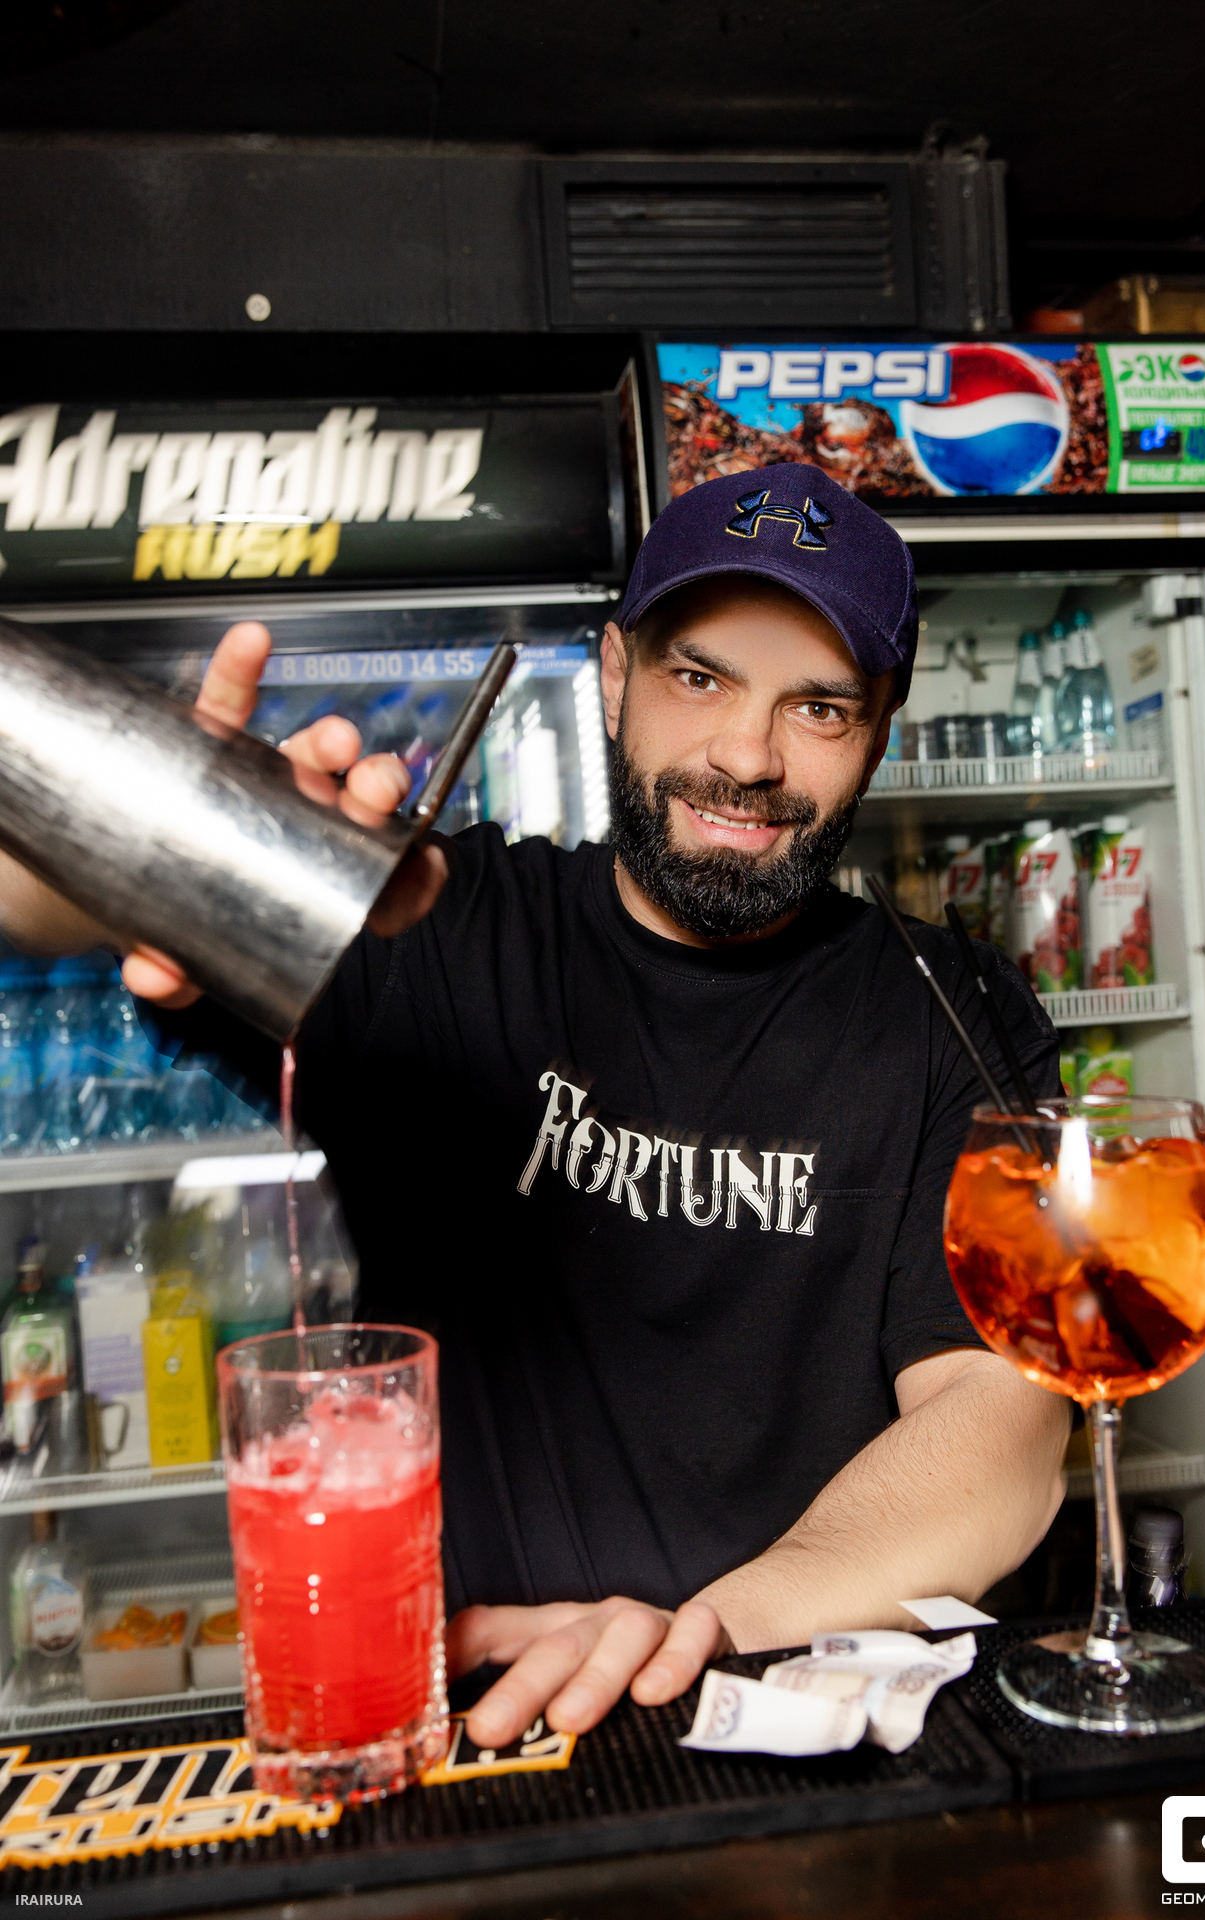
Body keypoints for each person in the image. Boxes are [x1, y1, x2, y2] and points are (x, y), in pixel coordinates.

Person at [0, 463, 1068, 1752]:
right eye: (699, 678)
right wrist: (164, 834)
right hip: (476, 1720)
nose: (747, 755)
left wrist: (696, 1635)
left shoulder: (955, 1012)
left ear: (882, 728)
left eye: (820, 707)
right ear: (614, 675)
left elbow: (1004, 1425)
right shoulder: (428, 921)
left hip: (811, 1715)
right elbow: (33, 896)